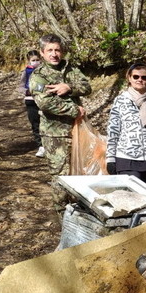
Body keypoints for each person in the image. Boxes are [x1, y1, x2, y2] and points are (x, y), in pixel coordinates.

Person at [29, 34, 91, 214]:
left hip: (78, 131)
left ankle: (80, 216)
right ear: (42, 53)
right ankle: (63, 219)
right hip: (55, 135)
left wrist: (68, 87)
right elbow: (45, 103)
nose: (54, 54)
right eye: (50, 50)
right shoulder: (39, 76)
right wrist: (74, 110)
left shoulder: (70, 69)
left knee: (80, 173)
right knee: (61, 178)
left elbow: (87, 87)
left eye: (57, 50)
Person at [106, 62, 146, 184]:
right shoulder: (120, 101)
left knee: (144, 197)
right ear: (129, 78)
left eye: (143, 77)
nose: (139, 80)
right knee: (131, 196)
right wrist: (110, 158)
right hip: (126, 158)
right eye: (136, 76)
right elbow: (113, 130)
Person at [18, 49, 45, 157]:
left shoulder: (45, 71)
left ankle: (48, 145)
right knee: (35, 124)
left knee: (45, 123)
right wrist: (27, 90)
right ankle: (40, 146)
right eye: (33, 60)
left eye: (37, 60)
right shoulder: (26, 72)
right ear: (29, 61)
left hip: (44, 100)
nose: (35, 62)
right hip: (30, 100)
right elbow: (20, 86)